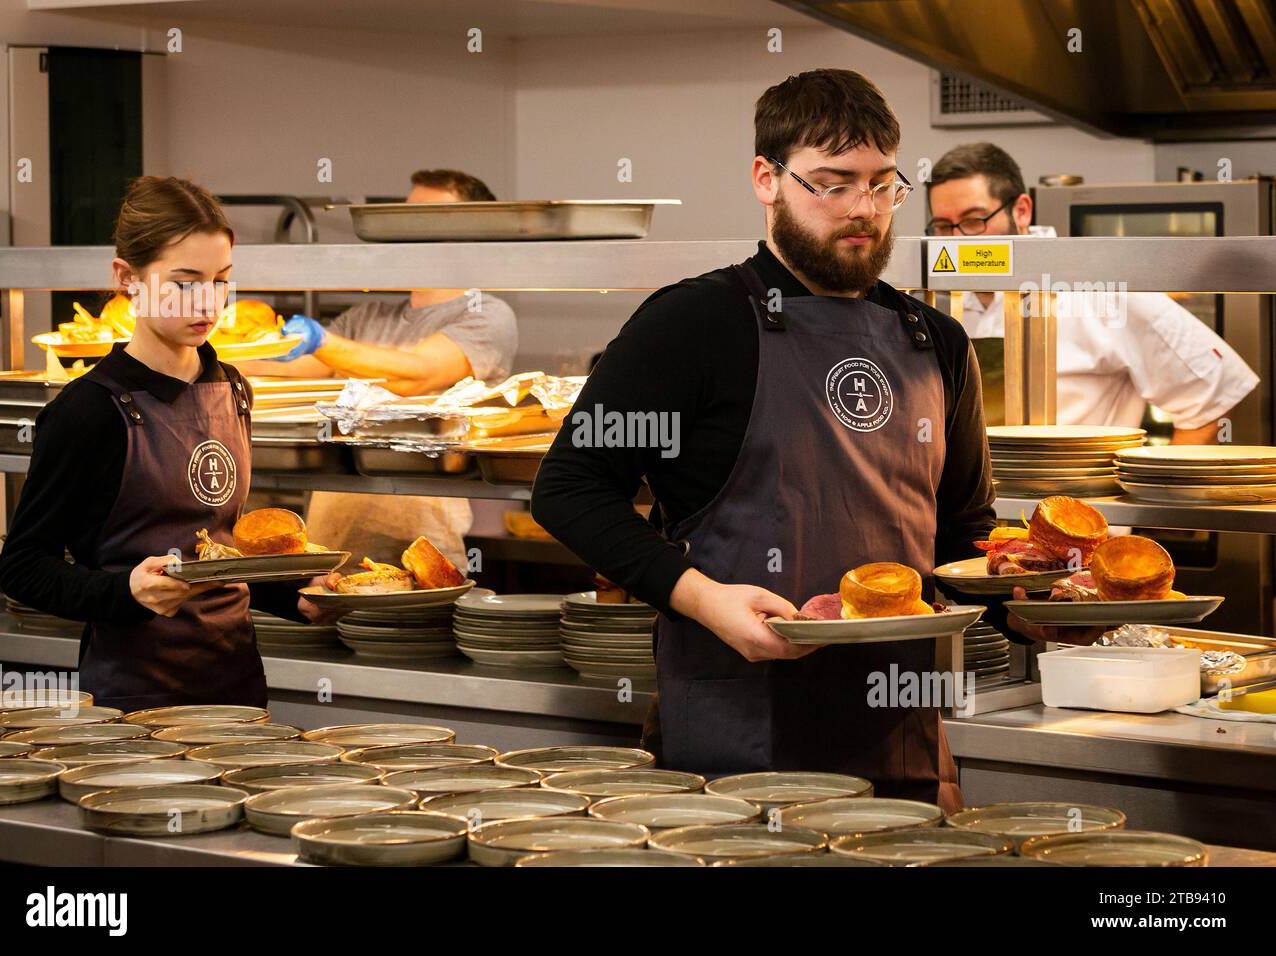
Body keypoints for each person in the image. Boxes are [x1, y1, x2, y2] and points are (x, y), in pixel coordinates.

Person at [531, 70, 995, 810]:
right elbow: (568, 488)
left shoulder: (934, 340)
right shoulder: (694, 323)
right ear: (766, 179)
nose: (863, 210)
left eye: (882, 185)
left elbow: (965, 534)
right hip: (732, 737)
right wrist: (706, 602)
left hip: (901, 731)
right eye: (832, 185)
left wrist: (1029, 603)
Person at [0, 176, 338, 711]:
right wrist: (125, 593)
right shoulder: (88, 411)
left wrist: (296, 593)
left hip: (237, 690)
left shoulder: (232, 388)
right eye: (184, 282)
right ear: (127, 278)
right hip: (132, 698)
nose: (209, 302)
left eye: (221, 280)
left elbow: (218, 553)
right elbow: (23, 567)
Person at [238, 169, 518, 568]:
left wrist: (326, 343)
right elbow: (294, 367)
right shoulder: (367, 317)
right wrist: (208, 350)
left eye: (427, 219)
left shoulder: (487, 315)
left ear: (473, 234)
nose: (408, 232)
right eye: (403, 218)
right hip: (329, 542)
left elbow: (418, 373)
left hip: (421, 548)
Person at [927, 143, 1258, 441]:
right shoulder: (942, 305)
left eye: (974, 220)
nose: (957, 240)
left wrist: (1154, 499)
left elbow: (1214, 394)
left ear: (1022, 211)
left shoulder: (1098, 286)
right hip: (981, 507)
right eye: (943, 226)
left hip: (1082, 502)